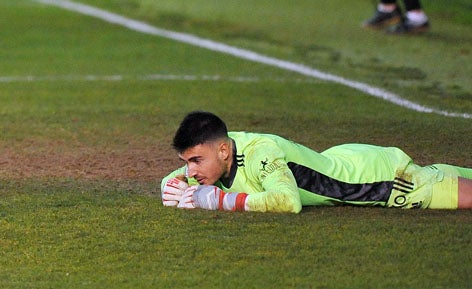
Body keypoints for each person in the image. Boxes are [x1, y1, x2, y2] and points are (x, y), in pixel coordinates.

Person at [161, 111, 472, 213]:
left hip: (381, 181)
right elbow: (179, 176)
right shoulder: (224, 146)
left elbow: (288, 201)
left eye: (196, 161)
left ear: (223, 151)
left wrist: (220, 201)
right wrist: (171, 184)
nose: (191, 171)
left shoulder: (261, 154)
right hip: (347, 159)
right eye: (186, 163)